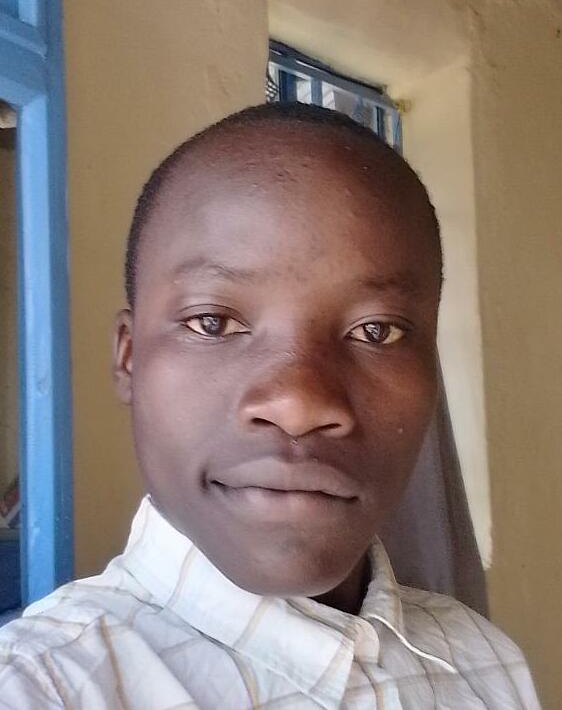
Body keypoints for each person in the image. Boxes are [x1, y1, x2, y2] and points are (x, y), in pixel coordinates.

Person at [0, 103, 541, 709]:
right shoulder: (39, 688)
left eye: (376, 331)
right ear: (130, 358)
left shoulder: (485, 664)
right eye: (213, 322)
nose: (299, 404)